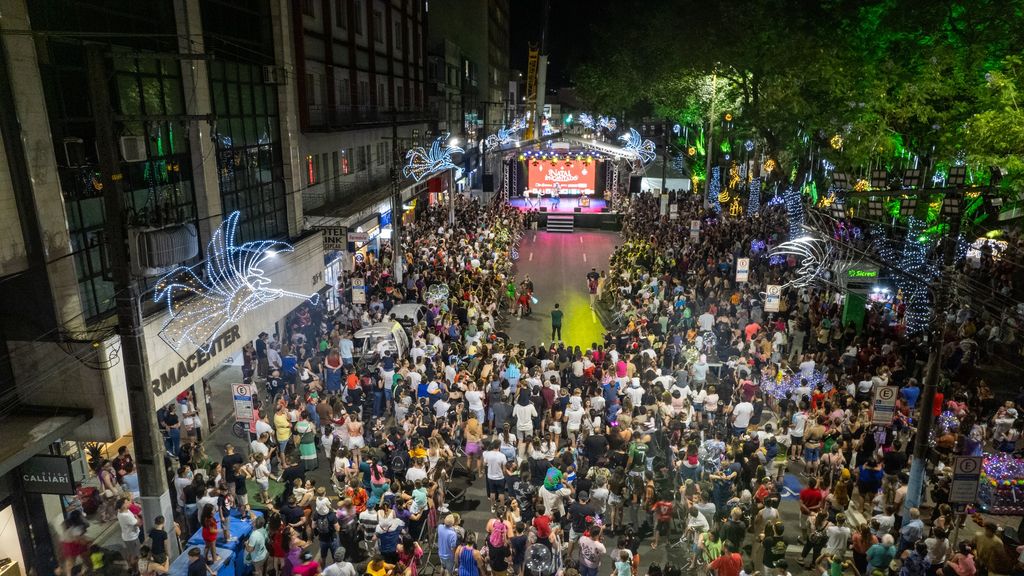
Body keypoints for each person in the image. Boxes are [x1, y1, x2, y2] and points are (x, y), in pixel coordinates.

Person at [116, 497, 142, 568]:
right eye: (127, 502)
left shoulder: (121, 511)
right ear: (123, 505)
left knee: (131, 552)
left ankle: (130, 565)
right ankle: (134, 568)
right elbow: (139, 523)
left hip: (128, 536)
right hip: (132, 538)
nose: (129, 502)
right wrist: (137, 517)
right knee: (136, 555)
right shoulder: (125, 516)